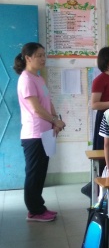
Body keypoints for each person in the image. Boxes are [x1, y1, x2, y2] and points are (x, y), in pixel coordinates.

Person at [14, 42, 66, 223]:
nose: (43, 58)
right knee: (34, 174)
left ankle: (39, 206)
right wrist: (54, 121)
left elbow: (47, 102)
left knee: (40, 173)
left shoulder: (38, 78)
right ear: (28, 58)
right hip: (34, 134)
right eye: (39, 55)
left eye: (44, 55)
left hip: (45, 133)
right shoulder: (26, 79)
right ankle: (34, 211)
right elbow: (36, 109)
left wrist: (55, 120)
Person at [90, 46, 109, 149]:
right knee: (104, 150)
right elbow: (94, 105)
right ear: (106, 59)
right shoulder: (100, 80)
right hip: (105, 118)